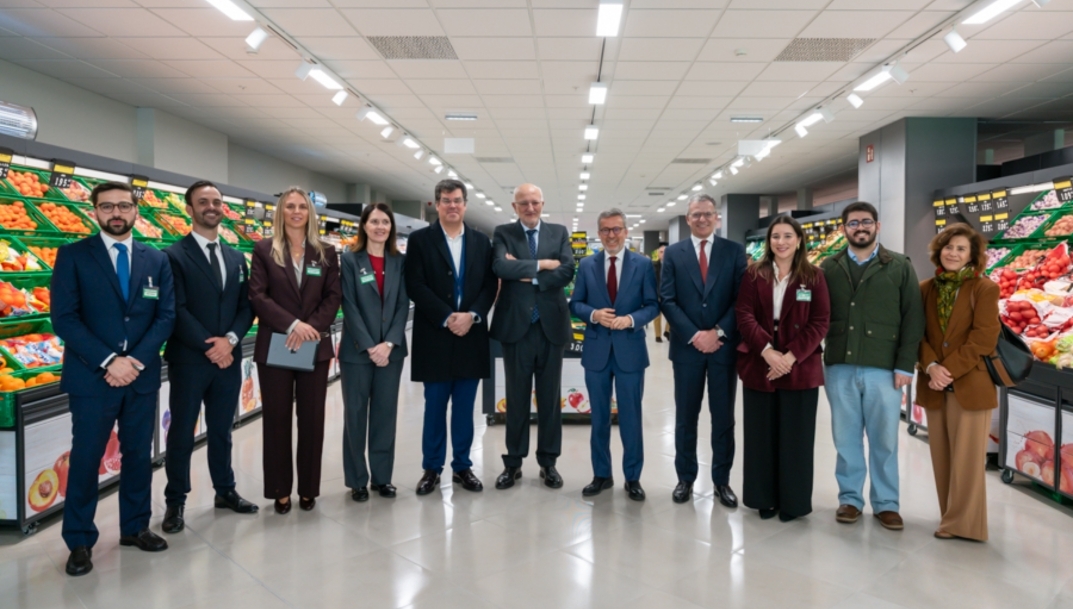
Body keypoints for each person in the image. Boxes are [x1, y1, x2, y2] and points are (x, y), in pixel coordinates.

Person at [51, 182, 175, 576]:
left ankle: (135, 527)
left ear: (136, 210)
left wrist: (134, 361)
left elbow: (165, 317)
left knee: (139, 454)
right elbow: (64, 318)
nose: (116, 213)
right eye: (107, 207)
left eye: (124, 205)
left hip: (140, 376)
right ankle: (79, 540)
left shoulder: (156, 259)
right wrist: (109, 361)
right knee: (86, 459)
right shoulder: (73, 256)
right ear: (95, 212)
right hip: (91, 378)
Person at [820, 201, 924, 531]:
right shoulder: (829, 267)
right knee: (845, 437)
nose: (860, 227)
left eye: (866, 222)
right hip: (840, 365)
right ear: (843, 229)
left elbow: (913, 318)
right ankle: (850, 499)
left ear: (877, 226)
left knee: (885, 440)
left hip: (884, 368)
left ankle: (886, 503)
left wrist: (906, 365)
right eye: (853, 223)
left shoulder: (899, 266)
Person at [161, 181, 257, 534]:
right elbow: (176, 309)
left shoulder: (235, 258)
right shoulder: (172, 256)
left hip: (227, 359)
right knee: (182, 434)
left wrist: (230, 340)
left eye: (216, 201)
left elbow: (246, 307)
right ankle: (176, 501)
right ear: (189, 209)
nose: (211, 207)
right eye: (203, 202)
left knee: (222, 430)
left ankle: (225, 489)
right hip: (190, 360)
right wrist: (211, 346)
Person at [249, 187, 342, 513]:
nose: (297, 211)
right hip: (277, 344)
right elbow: (258, 295)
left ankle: (308, 488)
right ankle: (279, 489)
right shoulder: (264, 249)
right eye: (290, 206)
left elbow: (333, 297)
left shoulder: (326, 252)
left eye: (302, 206)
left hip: (314, 347)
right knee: (276, 419)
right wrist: (293, 325)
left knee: (312, 419)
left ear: (310, 213)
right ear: (281, 212)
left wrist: (310, 328)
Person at [735, 215, 830, 522]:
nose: (782, 242)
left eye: (788, 236)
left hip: (799, 367)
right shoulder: (754, 274)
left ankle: (793, 502)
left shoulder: (814, 276)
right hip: (760, 363)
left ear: (799, 240)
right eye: (776, 236)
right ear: (769, 242)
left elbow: (820, 322)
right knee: (760, 436)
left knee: (796, 439)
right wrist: (767, 352)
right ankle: (764, 498)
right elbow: (744, 315)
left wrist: (788, 357)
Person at [405, 179, 497, 495]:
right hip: (435, 335)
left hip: (471, 335)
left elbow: (489, 286)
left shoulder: (482, 242)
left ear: (465, 204)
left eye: (457, 200)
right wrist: (447, 316)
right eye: (446, 200)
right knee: (434, 407)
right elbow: (415, 285)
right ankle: (431, 468)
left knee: (464, 408)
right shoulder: (420, 241)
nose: (452, 205)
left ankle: (462, 467)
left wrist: (471, 316)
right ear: (437, 204)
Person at [660, 193, 748, 506]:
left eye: (708, 214)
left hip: (724, 349)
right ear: (688, 218)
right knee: (686, 417)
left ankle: (721, 481)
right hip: (687, 350)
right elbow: (667, 300)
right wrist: (695, 335)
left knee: (723, 418)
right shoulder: (673, 253)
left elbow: (742, 300)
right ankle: (685, 478)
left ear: (717, 217)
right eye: (696, 214)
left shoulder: (734, 252)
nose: (702, 219)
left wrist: (718, 333)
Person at [917, 223, 1000, 541]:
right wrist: (931, 365)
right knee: (942, 457)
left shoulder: (984, 289)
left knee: (967, 460)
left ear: (973, 255)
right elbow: (918, 334)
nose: (953, 253)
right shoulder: (926, 288)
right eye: (949, 247)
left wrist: (946, 370)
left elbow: (983, 338)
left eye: (961, 249)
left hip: (969, 385)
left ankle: (965, 525)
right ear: (939, 250)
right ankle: (949, 517)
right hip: (934, 384)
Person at [569, 209, 658, 500]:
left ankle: (632, 477)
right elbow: (576, 303)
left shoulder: (642, 265)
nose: (611, 235)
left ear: (625, 231)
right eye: (606, 230)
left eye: (616, 229)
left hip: (630, 351)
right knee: (599, 418)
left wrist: (630, 319)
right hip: (596, 351)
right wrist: (594, 314)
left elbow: (652, 305)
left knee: (631, 417)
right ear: (599, 232)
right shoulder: (587, 265)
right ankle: (602, 475)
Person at [490, 183, 575, 490]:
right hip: (516, 328)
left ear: (543, 203)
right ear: (514, 207)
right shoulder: (503, 233)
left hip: (551, 327)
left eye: (534, 202)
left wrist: (524, 273)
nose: (530, 207)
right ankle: (513, 462)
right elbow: (500, 267)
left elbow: (567, 270)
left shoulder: (559, 232)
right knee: (516, 397)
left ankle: (548, 462)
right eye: (523, 203)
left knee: (550, 399)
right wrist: (542, 265)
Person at [339, 203, 409, 502]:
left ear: (391, 228)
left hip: (390, 353)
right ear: (364, 226)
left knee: (385, 415)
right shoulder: (350, 260)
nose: (380, 227)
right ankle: (357, 479)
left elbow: (403, 305)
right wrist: (370, 345)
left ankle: (382, 477)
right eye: (374, 221)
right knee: (355, 415)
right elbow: (349, 306)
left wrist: (389, 343)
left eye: (385, 222)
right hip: (357, 352)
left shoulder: (399, 261)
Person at [653, 243, 668, 342]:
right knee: (657, 317)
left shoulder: (672, 265)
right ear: (658, 254)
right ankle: (658, 336)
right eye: (661, 252)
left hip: (668, 295)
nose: (664, 254)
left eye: (666, 252)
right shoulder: (653, 265)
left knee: (672, 315)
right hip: (656, 294)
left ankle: (667, 331)